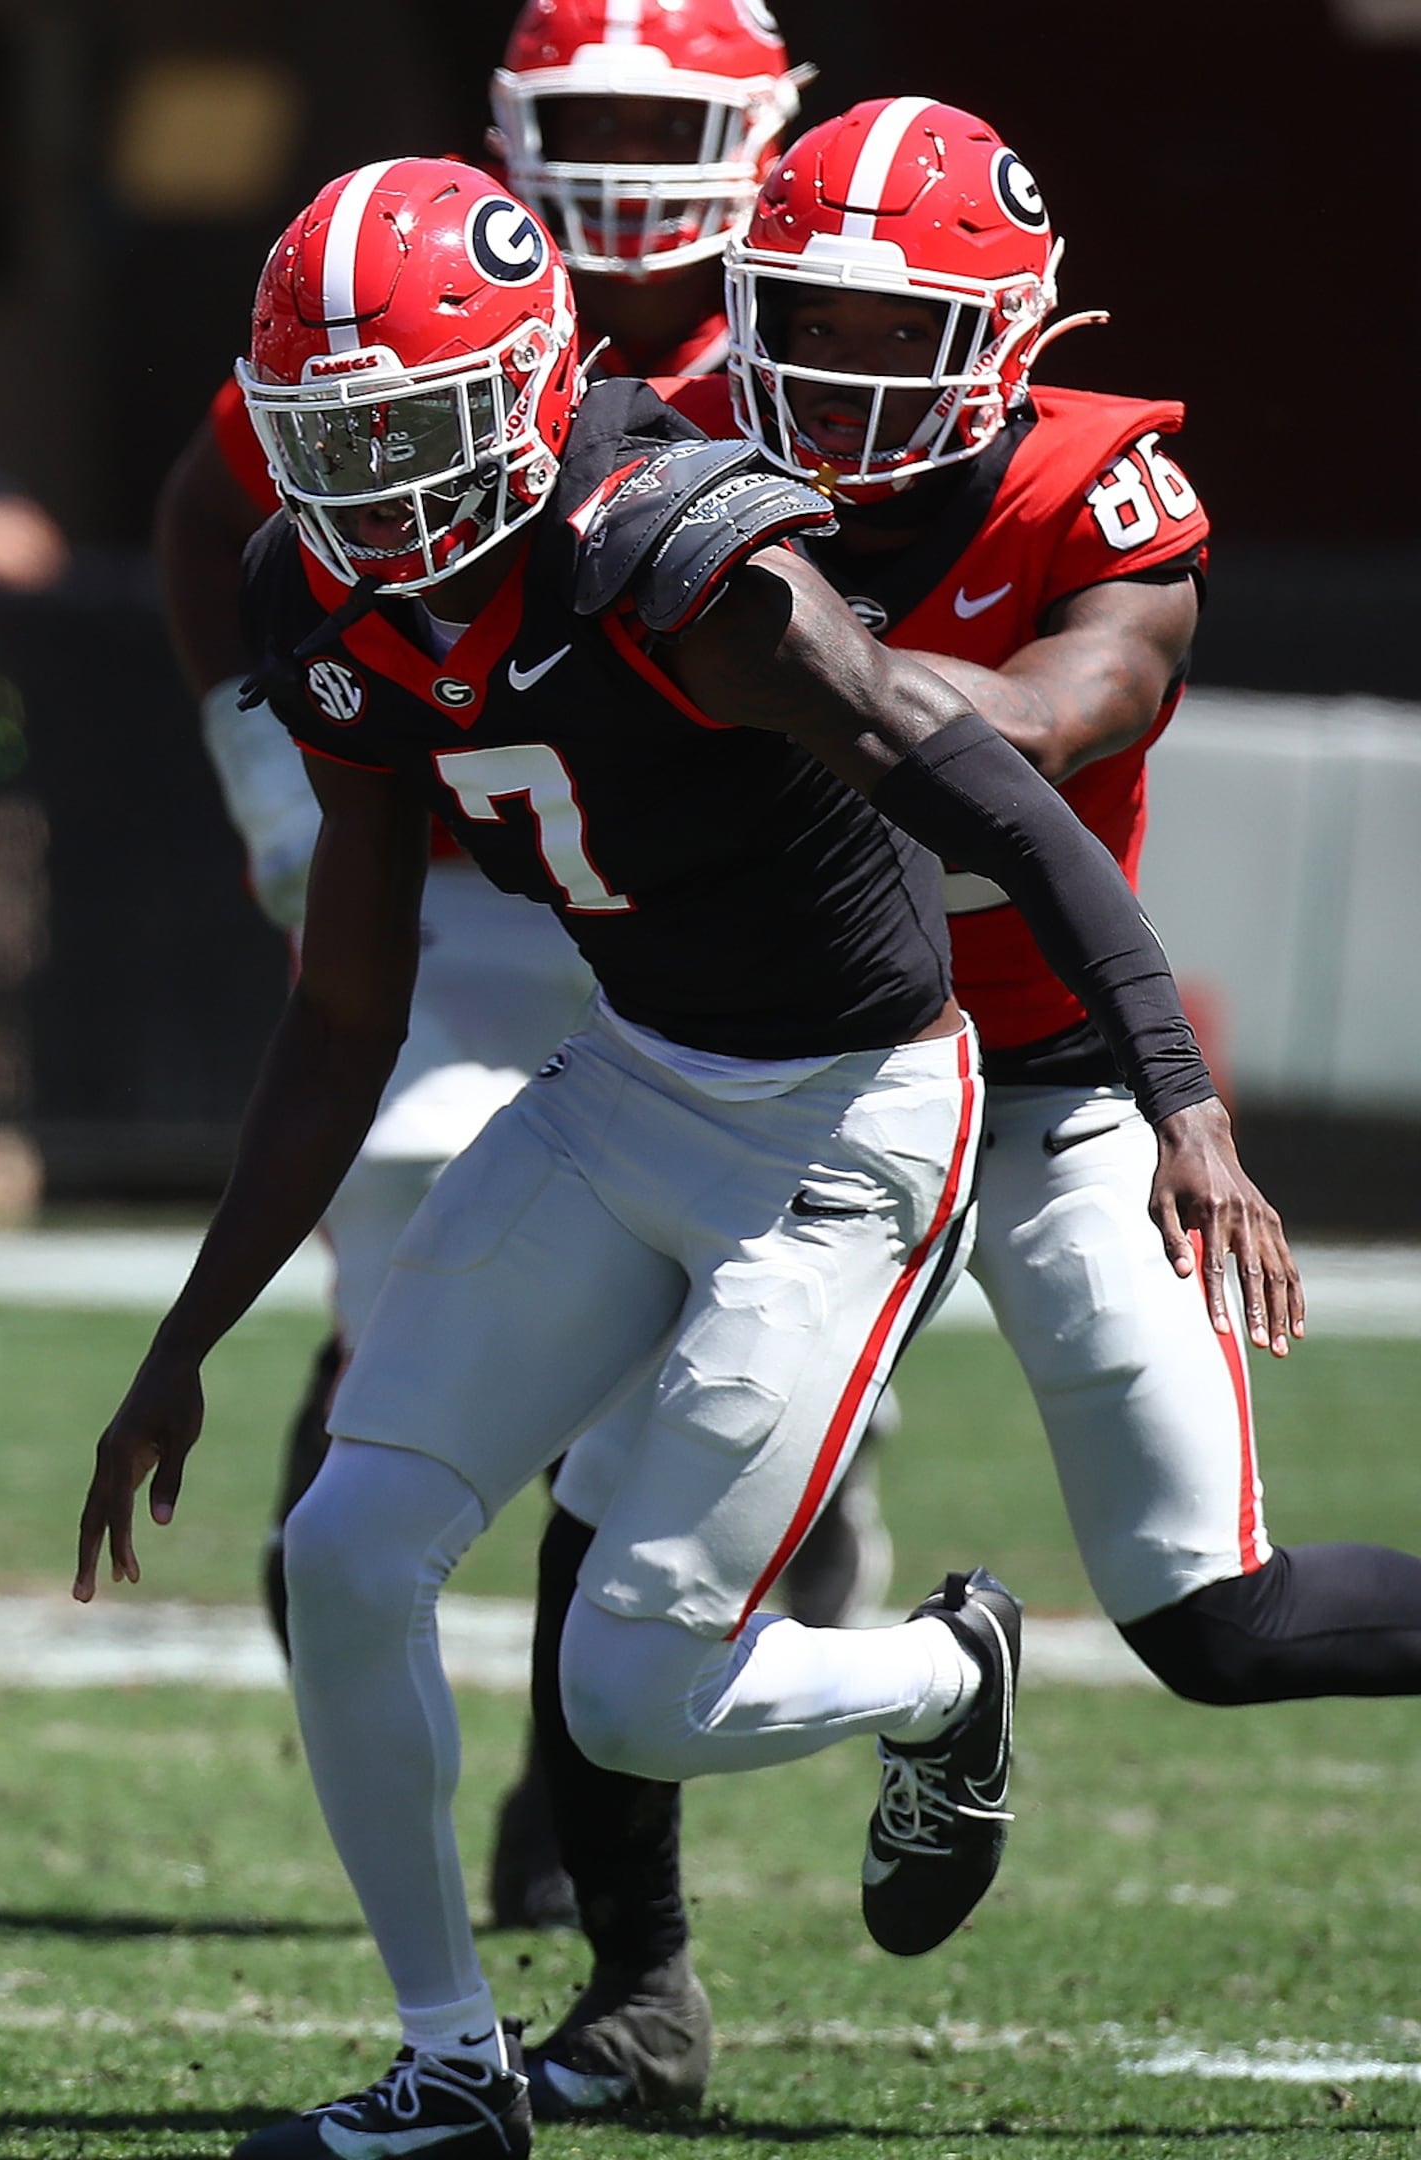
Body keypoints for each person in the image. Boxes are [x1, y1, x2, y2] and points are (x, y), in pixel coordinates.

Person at [72, 159, 1297, 2160]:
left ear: (530, 389)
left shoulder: (677, 562)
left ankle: (944, 1672)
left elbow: (999, 802)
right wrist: (183, 1341)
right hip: (636, 1072)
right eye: (332, 443)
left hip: (847, 1120)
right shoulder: (331, 600)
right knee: (345, 1547)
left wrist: (1182, 1100)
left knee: (633, 1691)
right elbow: (343, 1009)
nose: (372, 488)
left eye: (411, 431)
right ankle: (450, 2064)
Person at [518, 98, 1421, 2119]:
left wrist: (755, 642)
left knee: (1221, 1618)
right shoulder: (659, 440)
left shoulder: (1098, 504)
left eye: (891, 331)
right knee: (597, 1521)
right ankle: (635, 1994)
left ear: (1015, 346)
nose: (833, 382)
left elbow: (1023, 730)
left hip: (1047, 1084)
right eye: (803, 320)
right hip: (798, 1087)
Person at [151, 0, 868, 1938]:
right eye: (593, 119)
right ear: (510, 128)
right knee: (420, 1197)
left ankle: (599, 1792)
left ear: (768, 128)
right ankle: (390, 1381)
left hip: (727, 907)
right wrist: (274, 766)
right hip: (475, 867)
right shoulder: (406, 278)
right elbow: (216, 505)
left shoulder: (826, 291)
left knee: (695, 1318)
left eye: (672, 120)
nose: (631, 168)